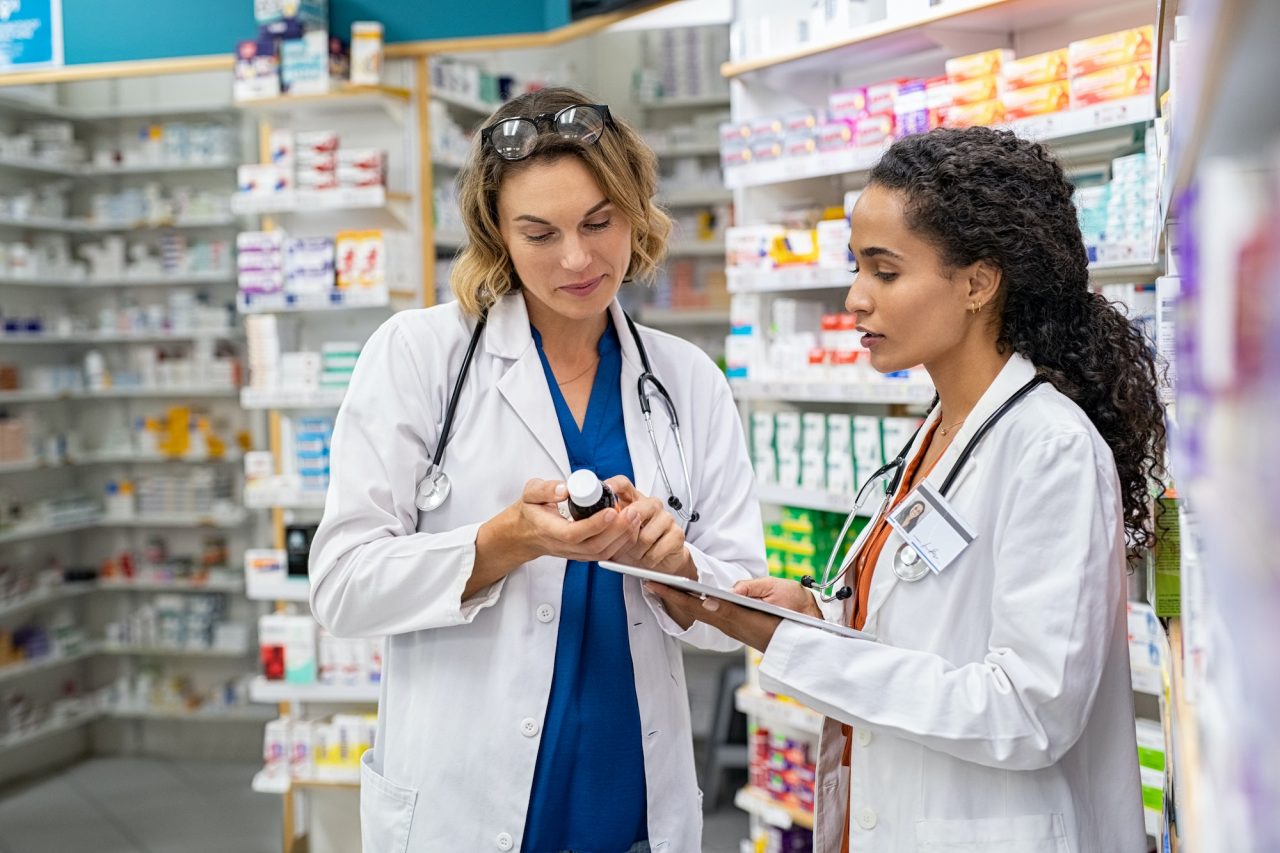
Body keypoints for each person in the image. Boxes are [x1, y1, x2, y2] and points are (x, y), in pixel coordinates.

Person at [649, 126, 1164, 853]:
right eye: (858, 268)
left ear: (979, 283)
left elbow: (1030, 709)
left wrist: (793, 644)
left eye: (884, 272)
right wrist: (819, 612)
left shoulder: (1049, 448)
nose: (856, 299)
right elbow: (928, 623)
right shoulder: (941, 427)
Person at [307, 87, 765, 853]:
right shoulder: (420, 356)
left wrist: (679, 567)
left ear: (635, 209)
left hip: (633, 813)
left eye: (599, 221)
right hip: (464, 806)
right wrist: (505, 540)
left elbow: (741, 608)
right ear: (496, 233)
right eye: (539, 232)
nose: (578, 258)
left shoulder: (687, 381)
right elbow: (342, 587)